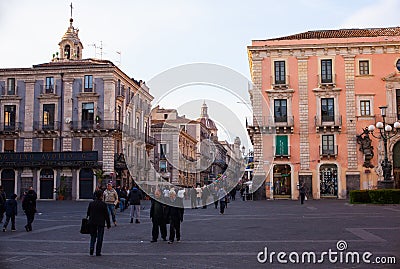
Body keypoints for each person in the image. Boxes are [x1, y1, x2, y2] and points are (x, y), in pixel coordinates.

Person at [87, 190, 111, 256]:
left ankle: (91, 248)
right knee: (100, 237)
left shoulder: (91, 203)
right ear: (101, 196)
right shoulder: (103, 204)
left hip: (92, 222)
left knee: (93, 236)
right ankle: (98, 251)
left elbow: (88, 213)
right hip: (100, 222)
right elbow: (106, 215)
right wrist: (108, 224)